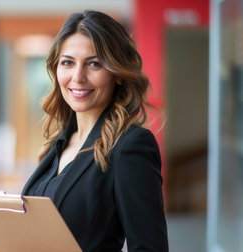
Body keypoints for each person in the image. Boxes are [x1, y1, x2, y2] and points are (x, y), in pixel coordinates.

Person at [21, 10, 169, 251]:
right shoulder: (59, 142)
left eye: (94, 64)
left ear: (117, 74)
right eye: (68, 62)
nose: (78, 77)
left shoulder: (130, 146)